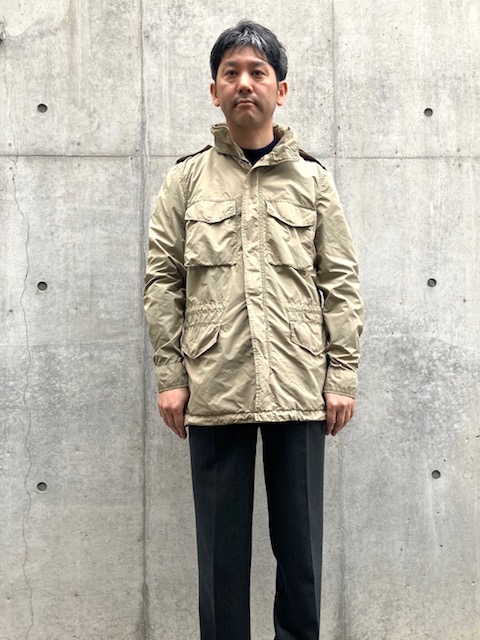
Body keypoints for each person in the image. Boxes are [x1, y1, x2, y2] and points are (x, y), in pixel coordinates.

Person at [144, 20, 364, 640]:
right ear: (214, 90)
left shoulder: (313, 181)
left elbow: (340, 280)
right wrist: (170, 376)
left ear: (280, 90)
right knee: (219, 556)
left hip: (299, 382)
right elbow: (163, 280)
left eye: (258, 72)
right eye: (231, 73)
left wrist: (341, 375)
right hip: (214, 382)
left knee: (300, 553)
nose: (245, 83)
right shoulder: (185, 180)